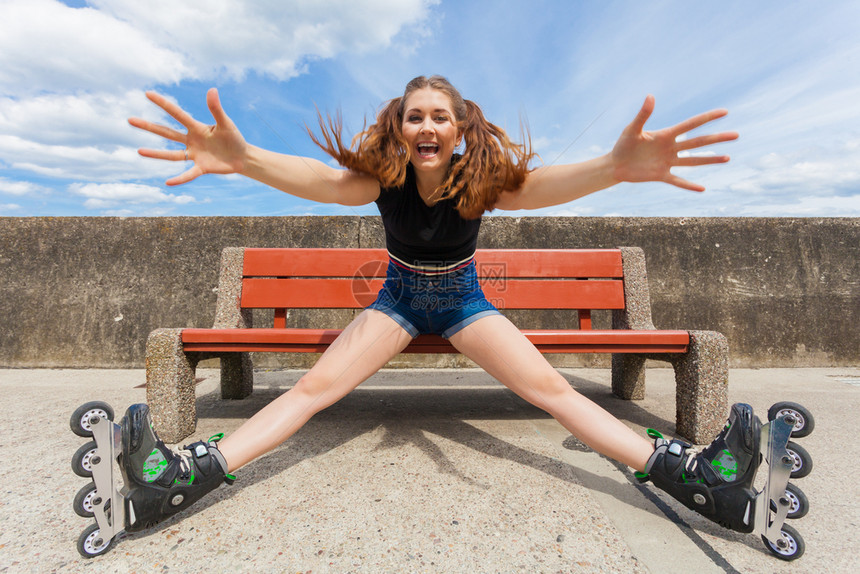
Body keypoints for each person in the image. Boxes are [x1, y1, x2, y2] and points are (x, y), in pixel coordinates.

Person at [123, 75, 751, 534]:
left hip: (462, 304)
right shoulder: (383, 182)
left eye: (440, 117)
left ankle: (695, 480)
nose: (427, 126)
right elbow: (319, 181)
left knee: (553, 391)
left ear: (459, 129)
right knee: (314, 389)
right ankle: (181, 480)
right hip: (396, 301)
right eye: (415, 115)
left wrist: (616, 165)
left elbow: (546, 187)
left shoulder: (480, 182)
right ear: (400, 127)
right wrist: (245, 159)